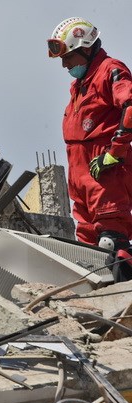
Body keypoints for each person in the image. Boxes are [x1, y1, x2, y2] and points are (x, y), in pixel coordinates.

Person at [47, 17, 132, 254]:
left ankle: (123, 287)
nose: (65, 65)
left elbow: (131, 107)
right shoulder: (80, 85)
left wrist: (114, 153)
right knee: (87, 247)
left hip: (105, 171)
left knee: (111, 240)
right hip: (80, 172)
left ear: (85, 48)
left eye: (67, 57)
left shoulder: (110, 70)